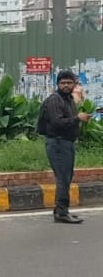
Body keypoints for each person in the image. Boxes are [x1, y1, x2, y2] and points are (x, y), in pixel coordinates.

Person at [41, 71, 91, 224]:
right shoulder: (55, 100)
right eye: (63, 83)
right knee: (63, 178)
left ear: (74, 84)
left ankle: (61, 210)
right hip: (58, 143)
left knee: (66, 177)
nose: (66, 85)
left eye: (69, 83)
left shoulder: (68, 99)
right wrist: (78, 118)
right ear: (58, 84)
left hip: (66, 143)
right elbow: (57, 123)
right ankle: (62, 213)